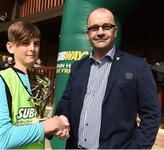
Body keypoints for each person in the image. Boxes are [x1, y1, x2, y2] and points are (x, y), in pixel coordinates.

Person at [55, 7, 161, 149]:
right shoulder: (77, 67)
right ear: (88, 34)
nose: (100, 32)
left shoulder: (137, 66)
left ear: (115, 31)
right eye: (94, 28)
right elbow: (66, 101)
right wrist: (62, 117)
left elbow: (151, 114)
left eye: (106, 27)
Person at [0, 21, 69, 149]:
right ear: (10, 47)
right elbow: (3, 139)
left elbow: (33, 121)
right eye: (25, 43)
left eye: (36, 43)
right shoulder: (2, 80)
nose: (32, 48)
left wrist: (54, 128)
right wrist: (50, 125)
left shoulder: (41, 81)